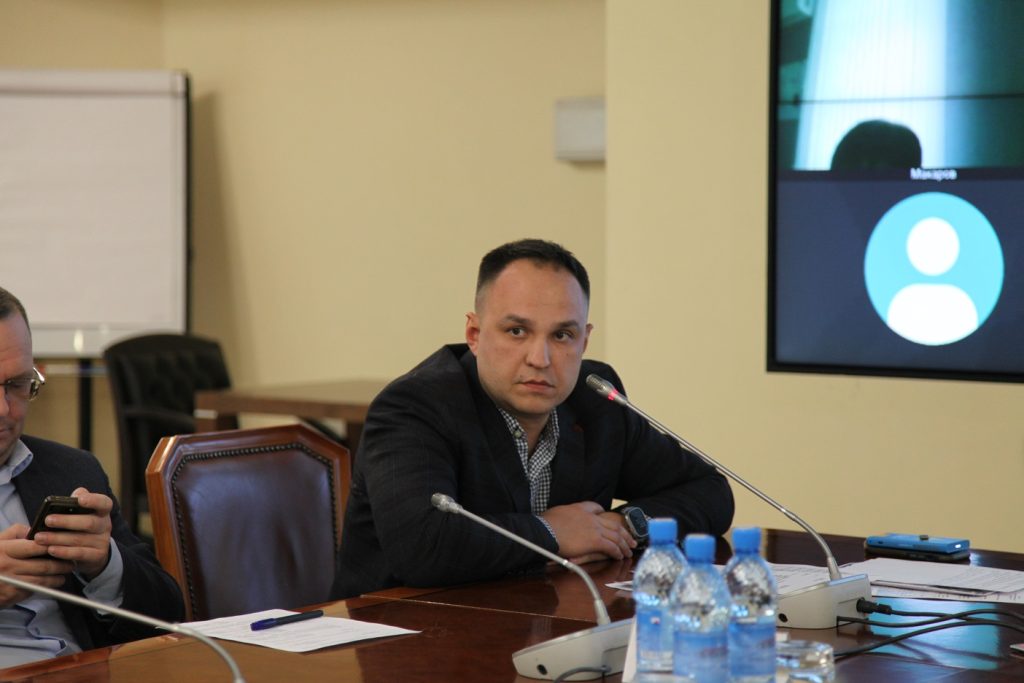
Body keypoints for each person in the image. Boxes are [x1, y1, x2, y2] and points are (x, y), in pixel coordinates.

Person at [333, 239, 733, 598]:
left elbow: (710, 491)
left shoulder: (594, 398)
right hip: (410, 633)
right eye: (516, 331)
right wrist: (553, 532)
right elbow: (422, 547)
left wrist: (624, 525)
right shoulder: (415, 407)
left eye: (562, 336)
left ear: (584, 341)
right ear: (474, 334)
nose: (540, 359)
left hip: (546, 619)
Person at [0, 287, 184, 667]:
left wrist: (106, 566)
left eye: (17, 385)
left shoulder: (71, 471)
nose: (4, 409)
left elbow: (168, 616)